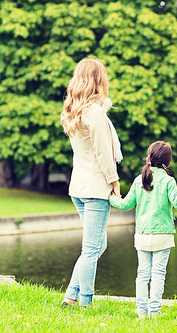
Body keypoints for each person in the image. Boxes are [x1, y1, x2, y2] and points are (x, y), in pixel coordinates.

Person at [60, 58, 123, 307]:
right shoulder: (94, 113)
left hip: (79, 186)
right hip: (96, 188)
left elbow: (101, 110)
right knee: (91, 249)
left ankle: (70, 298)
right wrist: (114, 181)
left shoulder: (76, 110)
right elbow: (102, 152)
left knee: (96, 244)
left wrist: (101, 104)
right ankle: (85, 302)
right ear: (99, 80)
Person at [109, 141, 177, 318]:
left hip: (142, 235)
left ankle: (142, 312)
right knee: (158, 275)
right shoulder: (168, 180)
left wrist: (111, 198)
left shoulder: (138, 180)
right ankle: (154, 312)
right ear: (168, 162)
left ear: (148, 158)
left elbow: (126, 204)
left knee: (142, 274)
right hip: (163, 235)